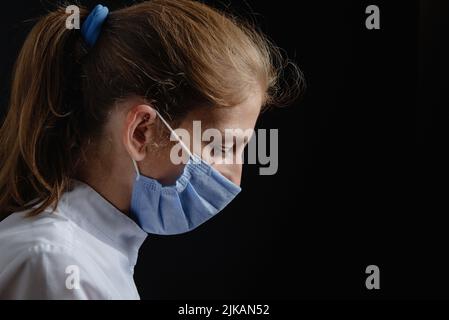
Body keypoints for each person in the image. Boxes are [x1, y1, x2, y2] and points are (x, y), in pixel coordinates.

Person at [0, 0, 301, 299]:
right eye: (221, 147)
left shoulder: (93, 255)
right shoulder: (54, 264)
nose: (234, 179)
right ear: (142, 132)